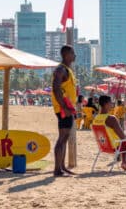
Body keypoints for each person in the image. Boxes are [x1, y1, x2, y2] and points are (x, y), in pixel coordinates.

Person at [51, 45, 77, 177]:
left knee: (65, 137)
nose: (75, 56)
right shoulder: (61, 69)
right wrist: (64, 108)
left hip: (67, 108)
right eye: (73, 53)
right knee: (62, 138)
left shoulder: (67, 69)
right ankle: (57, 169)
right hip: (63, 109)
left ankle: (61, 167)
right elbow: (56, 89)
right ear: (66, 55)